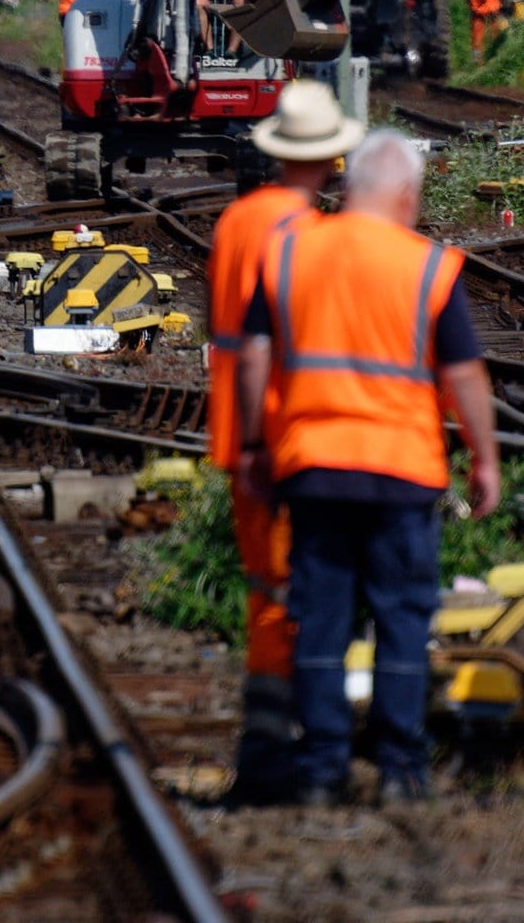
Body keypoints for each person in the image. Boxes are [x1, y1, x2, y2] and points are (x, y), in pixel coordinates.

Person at [236, 129, 501, 806]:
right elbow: (464, 373)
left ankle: (323, 767)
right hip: (402, 470)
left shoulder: (291, 253)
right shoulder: (427, 266)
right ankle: (399, 768)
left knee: (321, 613)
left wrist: (256, 447)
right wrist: (485, 458)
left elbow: (254, 357)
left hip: (313, 465)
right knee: (402, 616)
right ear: (406, 198)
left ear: (347, 187)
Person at [206, 80, 365, 807]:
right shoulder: (308, 235)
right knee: (307, 592)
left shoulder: (236, 221)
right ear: (330, 160)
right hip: (290, 436)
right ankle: (281, 749)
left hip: (235, 437)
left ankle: (269, 740)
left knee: (263, 593)